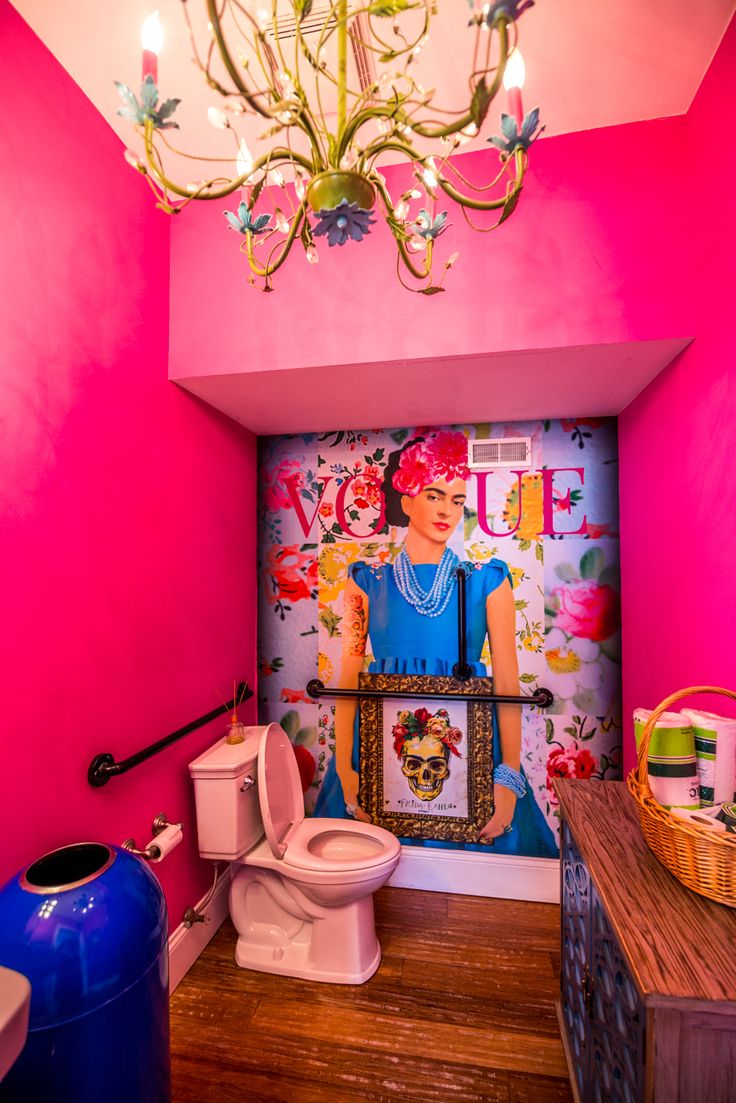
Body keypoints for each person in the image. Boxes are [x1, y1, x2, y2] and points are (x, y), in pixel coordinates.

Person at [314, 430, 557, 856]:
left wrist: (508, 775)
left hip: (471, 739)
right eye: (433, 495)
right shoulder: (367, 580)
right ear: (407, 501)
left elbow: (506, 684)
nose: (447, 510)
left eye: (457, 500)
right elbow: (348, 679)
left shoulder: (489, 580)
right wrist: (345, 763)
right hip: (379, 737)